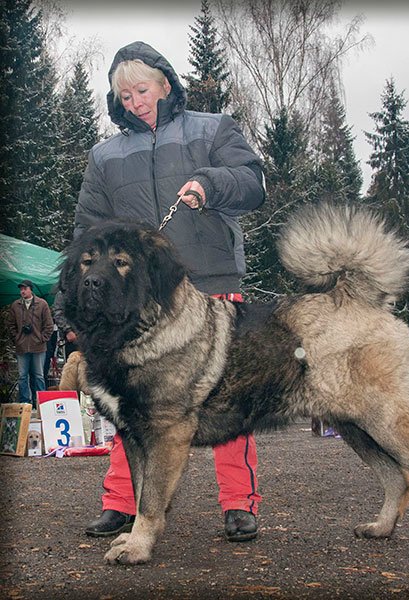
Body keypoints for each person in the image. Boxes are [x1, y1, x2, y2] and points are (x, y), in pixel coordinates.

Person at [68, 41, 265, 542]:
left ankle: (239, 502)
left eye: (141, 89)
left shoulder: (212, 128)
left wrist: (208, 183)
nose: (134, 101)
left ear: (165, 83)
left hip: (212, 281)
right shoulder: (104, 155)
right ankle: (122, 502)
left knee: (227, 395)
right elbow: (87, 233)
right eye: (124, 95)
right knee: (127, 402)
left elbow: (252, 183)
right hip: (135, 303)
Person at [8, 280, 54, 405]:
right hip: (21, 346)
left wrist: (42, 338)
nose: (22, 291)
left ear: (31, 289)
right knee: (22, 376)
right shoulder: (15, 305)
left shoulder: (42, 304)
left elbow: (49, 325)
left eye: (25, 288)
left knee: (39, 375)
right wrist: (16, 338)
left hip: (38, 346)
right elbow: (11, 324)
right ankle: (24, 403)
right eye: (21, 289)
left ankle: (41, 403)